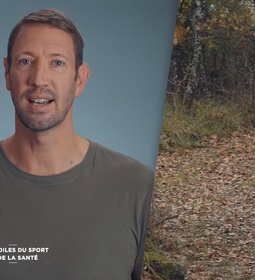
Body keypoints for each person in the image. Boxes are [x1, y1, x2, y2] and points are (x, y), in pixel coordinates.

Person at [0, 9, 154, 280]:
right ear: (7, 74)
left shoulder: (137, 187)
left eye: (57, 63)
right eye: (25, 61)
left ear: (79, 79)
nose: (39, 79)